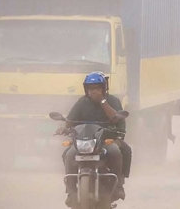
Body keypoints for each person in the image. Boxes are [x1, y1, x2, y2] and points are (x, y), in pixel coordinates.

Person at [57, 71, 132, 206]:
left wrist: (102, 101)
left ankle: (119, 185)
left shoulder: (113, 101)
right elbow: (71, 119)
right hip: (84, 141)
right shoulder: (82, 102)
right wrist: (64, 127)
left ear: (104, 88)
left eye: (97, 88)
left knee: (116, 151)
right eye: (91, 88)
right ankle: (71, 191)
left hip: (106, 140)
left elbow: (115, 119)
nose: (94, 91)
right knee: (68, 155)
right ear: (86, 89)